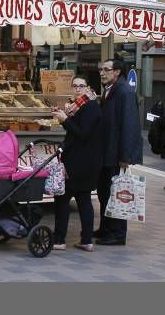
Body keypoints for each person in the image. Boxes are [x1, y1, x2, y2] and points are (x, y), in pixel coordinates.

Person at [51, 76, 103, 252]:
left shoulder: (89, 107)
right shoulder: (78, 106)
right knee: (83, 199)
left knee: (62, 199)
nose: (78, 89)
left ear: (87, 88)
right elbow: (76, 130)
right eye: (75, 86)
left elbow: (82, 134)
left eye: (81, 86)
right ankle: (86, 240)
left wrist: (65, 120)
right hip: (86, 161)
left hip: (78, 161)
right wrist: (65, 118)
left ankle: (59, 239)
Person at [94, 59, 142, 246]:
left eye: (106, 69)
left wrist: (125, 157)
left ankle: (118, 233)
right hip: (106, 151)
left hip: (116, 154)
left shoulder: (124, 92)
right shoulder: (111, 90)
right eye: (101, 69)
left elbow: (130, 125)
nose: (102, 73)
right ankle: (105, 228)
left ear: (117, 72)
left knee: (117, 193)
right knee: (104, 192)